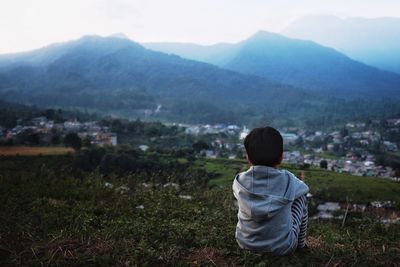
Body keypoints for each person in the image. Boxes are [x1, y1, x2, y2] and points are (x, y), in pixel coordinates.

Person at [232, 126, 309, 255]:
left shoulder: (240, 181)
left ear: (248, 157)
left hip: (245, 243)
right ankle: (301, 244)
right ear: (281, 157)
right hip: (284, 247)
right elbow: (305, 189)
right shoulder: (289, 180)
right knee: (301, 196)